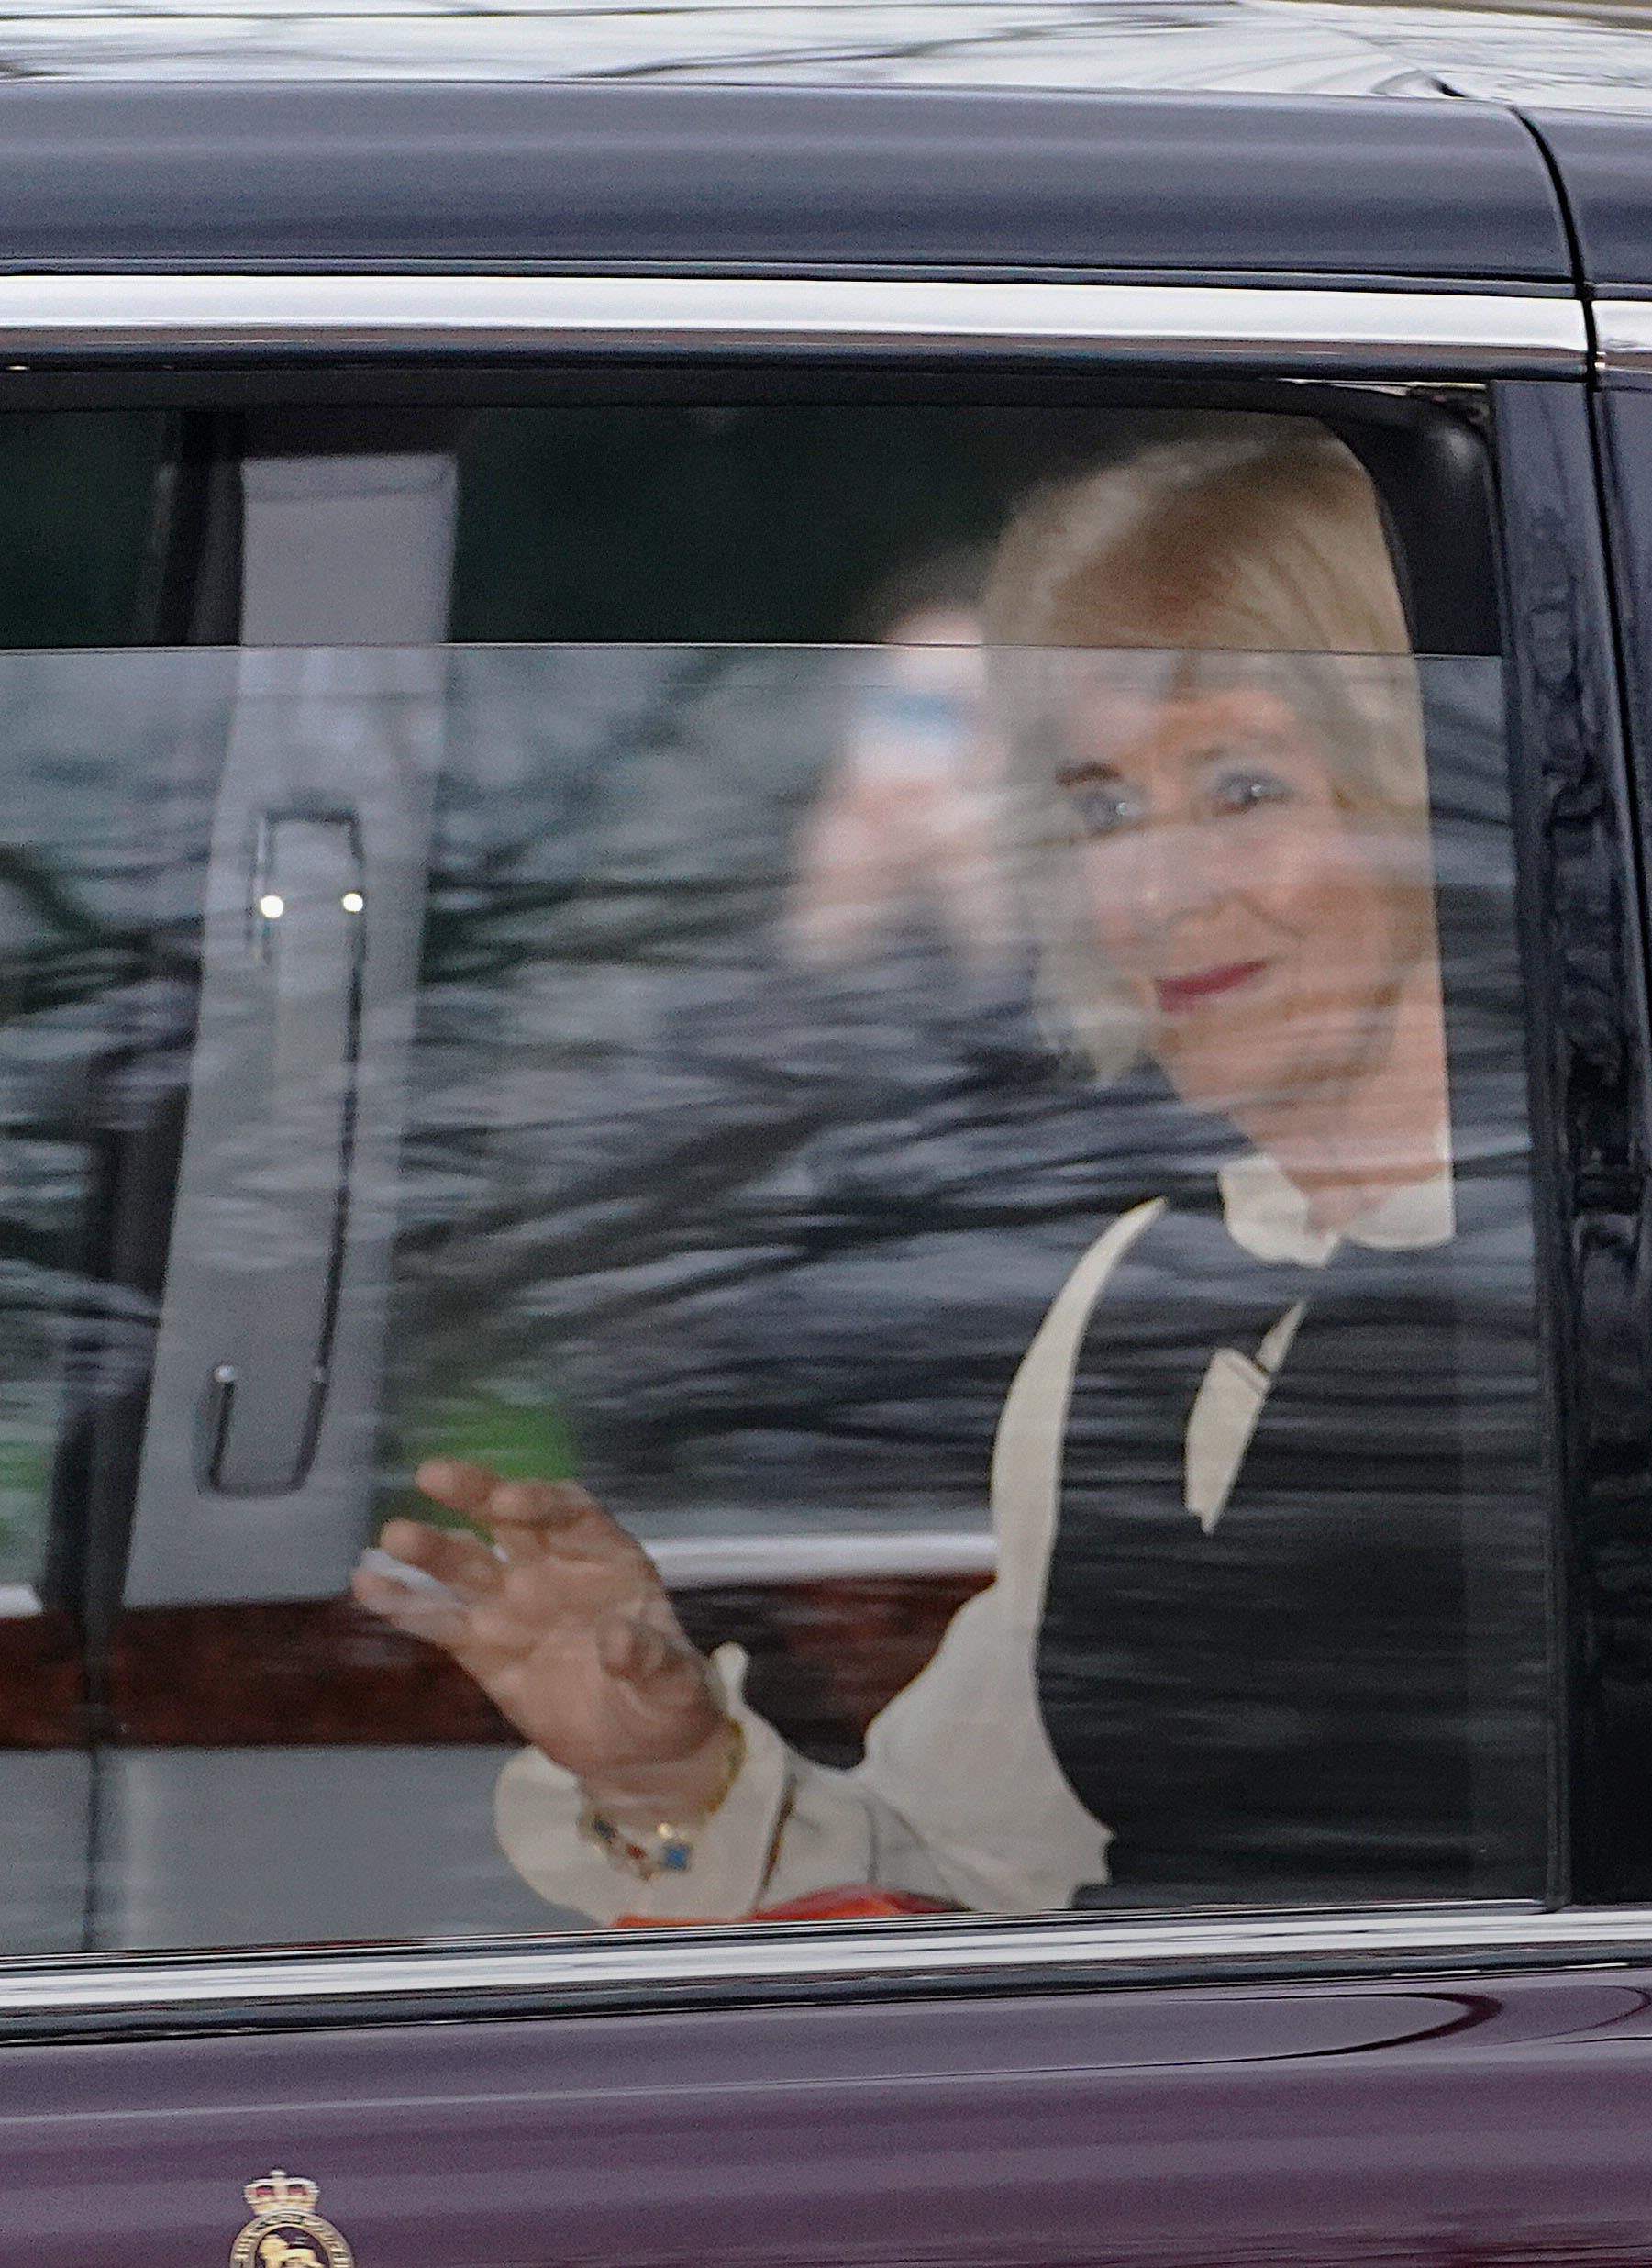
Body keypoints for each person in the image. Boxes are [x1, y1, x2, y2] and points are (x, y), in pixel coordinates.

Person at [353, 420, 1544, 1920]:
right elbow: (970, 1876)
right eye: (1103, 804)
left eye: (1242, 787)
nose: (1155, 887)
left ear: (1433, 800)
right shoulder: (1143, 1290)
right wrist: (664, 1772)